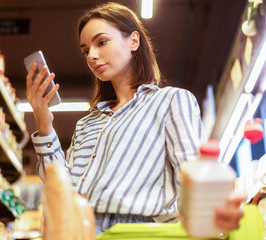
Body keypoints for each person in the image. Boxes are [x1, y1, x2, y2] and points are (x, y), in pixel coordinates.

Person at [26, 2, 245, 235]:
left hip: (136, 231)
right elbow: (59, 187)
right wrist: (44, 122)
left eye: (101, 42)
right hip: (77, 230)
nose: (92, 55)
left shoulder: (171, 101)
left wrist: (212, 213)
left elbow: (191, 175)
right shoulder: (86, 124)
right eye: (85, 50)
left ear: (133, 41)